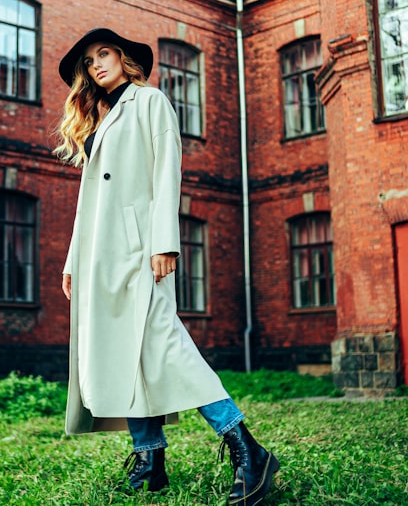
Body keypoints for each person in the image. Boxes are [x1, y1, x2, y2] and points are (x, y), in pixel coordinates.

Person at [54, 28, 279, 505]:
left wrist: (164, 243)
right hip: (100, 256)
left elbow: (166, 172)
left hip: (139, 250)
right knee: (121, 353)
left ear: (123, 58)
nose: (96, 64)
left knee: (165, 345)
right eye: (89, 61)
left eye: (104, 54)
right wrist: (74, 261)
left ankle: (247, 449)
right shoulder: (98, 118)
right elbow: (86, 204)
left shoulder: (149, 101)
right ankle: (150, 459)